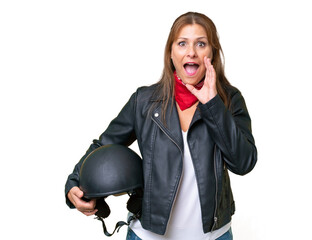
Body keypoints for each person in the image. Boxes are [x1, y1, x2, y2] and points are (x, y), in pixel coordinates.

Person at [65, 12, 257, 240]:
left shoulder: (229, 100)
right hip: (147, 235)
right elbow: (104, 145)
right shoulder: (144, 101)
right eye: (182, 43)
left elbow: (243, 163)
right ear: (171, 53)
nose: (191, 52)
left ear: (212, 53)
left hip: (213, 236)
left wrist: (213, 105)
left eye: (201, 44)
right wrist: (73, 183)